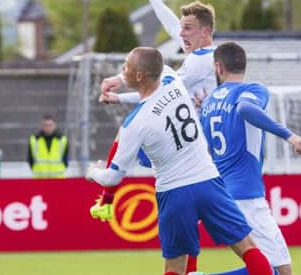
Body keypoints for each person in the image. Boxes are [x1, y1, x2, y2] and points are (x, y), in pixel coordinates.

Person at [86, 47, 274, 275]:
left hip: (174, 194)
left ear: (138, 76)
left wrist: (93, 171)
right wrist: (120, 78)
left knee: (174, 268)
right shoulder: (172, 80)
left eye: (125, 66)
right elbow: (158, 65)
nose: (122, 70)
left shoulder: (133, 124)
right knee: (249, 250)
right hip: (209, 182)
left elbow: (113, 176)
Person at [91, 0, 216, 273]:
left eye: (188, 29)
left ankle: (107, 195)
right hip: (185, 137)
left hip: (199, 147)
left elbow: (158, 89)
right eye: (182, 29)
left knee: (128, 135)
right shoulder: (195, 49)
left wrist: (119, 93)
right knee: (127, 136)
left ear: (205, 32)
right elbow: (171, 26)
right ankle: (107, 197)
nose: (181, 34)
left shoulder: (200, 62)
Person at [199, 42, 301, 275]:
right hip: (246, 195)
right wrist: (289, 136)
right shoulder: (251, 89)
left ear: (218, 67)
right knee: (282, 270)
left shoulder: (208, 104)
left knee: (262, 267)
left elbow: (205, 149)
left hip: (222, 194)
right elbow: (245, 109)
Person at [27, 114, 69, 178]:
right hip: (40, 178)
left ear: (55, 125)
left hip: (57, 178)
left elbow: (66, 159)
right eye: (45, 125)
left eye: (50, 125)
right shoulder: (34, 140)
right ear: (42, 126)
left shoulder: (62, 139)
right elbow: (30, 159)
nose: (48, 128)